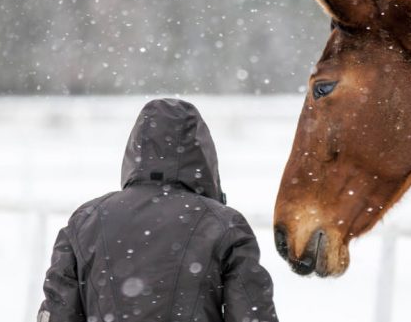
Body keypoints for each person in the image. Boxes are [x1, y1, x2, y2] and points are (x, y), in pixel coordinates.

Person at [37, 98, 279, 322]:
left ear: (135, 150)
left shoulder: (85, 221)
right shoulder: (224, 226)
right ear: (203, 155)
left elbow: (59, 313)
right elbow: (252, 314)